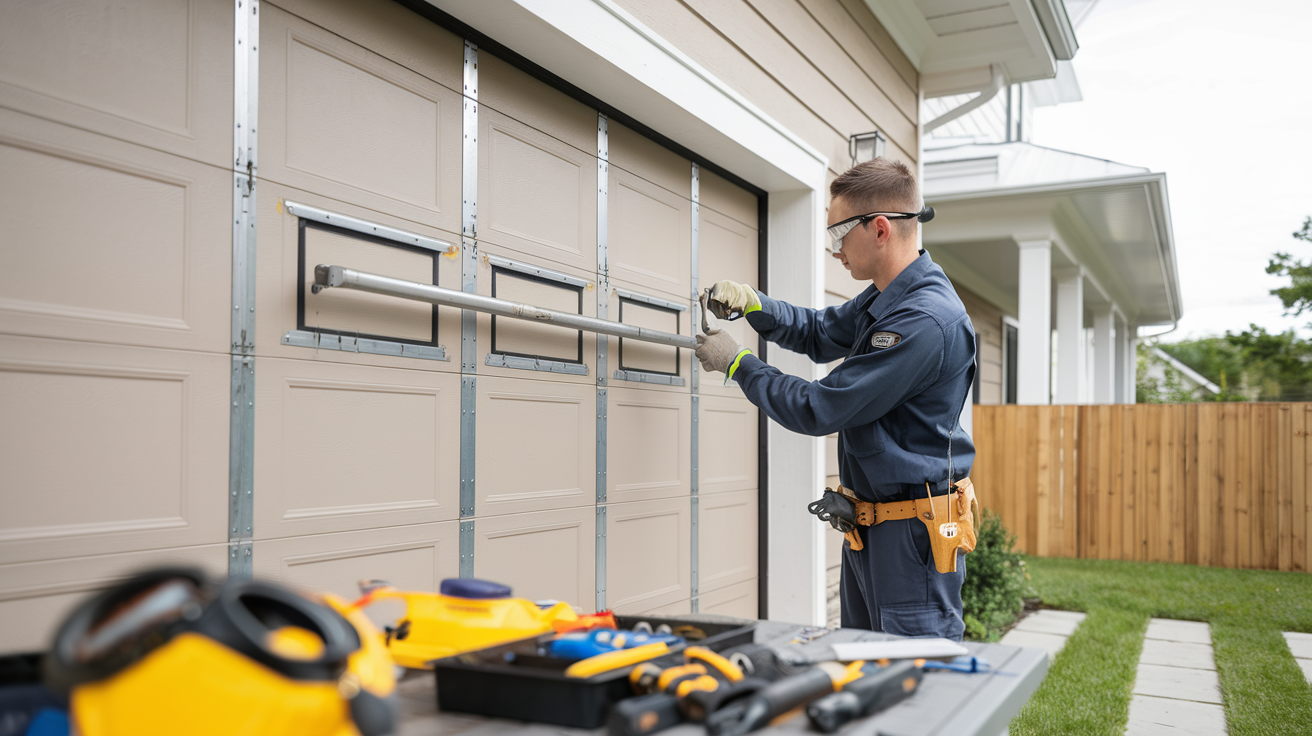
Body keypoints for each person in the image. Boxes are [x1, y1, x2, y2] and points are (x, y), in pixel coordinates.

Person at [694, 158, 976, 640]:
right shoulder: (887, 297)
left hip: (911, 538)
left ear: (881, 228)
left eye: (838, 234)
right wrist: (755, 303)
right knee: (866, 666)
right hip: (870, 527)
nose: (835, 250)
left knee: (913, 681)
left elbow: (821, 407)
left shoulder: (925, 321)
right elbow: (821, 331)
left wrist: (739, 365)